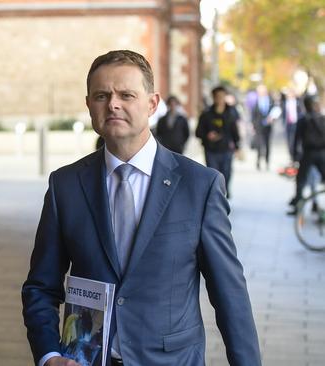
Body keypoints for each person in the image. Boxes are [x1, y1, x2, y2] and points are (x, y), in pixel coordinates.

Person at [22, 50, 260, 366]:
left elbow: (229, 293)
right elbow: (40, 286)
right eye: (101, 95)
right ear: (89, 105)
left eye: (126, 94)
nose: (113, 104)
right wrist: (49, 354)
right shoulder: (65, 186)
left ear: (152, 103)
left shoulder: (198, 186)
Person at [195, 86, 240, 197]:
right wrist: (207, 135)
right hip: (211, 149)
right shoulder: (206, 114)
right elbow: (198, 132)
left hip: (226, 149)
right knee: (213, 174)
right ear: (213, 98)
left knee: (227, 173)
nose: (220, 99)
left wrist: (237, 146)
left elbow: (235, 131)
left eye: (222, 96)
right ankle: (216, 196)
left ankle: (224, 191)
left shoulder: (231, 113)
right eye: (217, 97)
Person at [288, 96, 325, 214]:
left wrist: (294, 156)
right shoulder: (322, 119)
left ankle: (298, 206)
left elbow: (296, 140)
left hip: (308, 153)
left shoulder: (303, 119)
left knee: (301, 181)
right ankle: (312, 203)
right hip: (320, 153)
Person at [252, 84, 274, 170]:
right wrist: (253, 125)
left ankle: (267, 162)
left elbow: (275, 110)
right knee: (259, 144)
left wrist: (272, 118)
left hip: (268, 126)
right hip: (258, 126)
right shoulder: (256, 101)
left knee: (267, 144)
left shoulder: (270, 100)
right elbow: (253, 115)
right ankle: (258, 162)